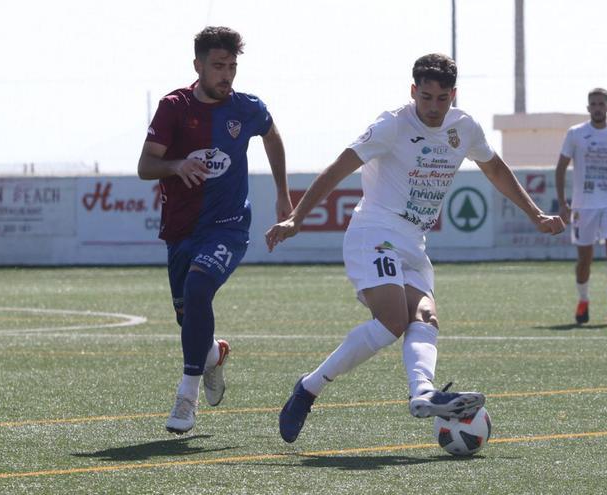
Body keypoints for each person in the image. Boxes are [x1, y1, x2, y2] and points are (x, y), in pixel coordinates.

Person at [265, 53, 564, 443]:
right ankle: (307, 389)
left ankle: (423, 391)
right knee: (392, 321)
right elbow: (340, 166)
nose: (434, 107)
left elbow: (494, 168)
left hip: (413, 240)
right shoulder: (392, 124)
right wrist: (297, 217)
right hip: (373, 230)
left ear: (453, 95)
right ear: (413, 92)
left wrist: (536, 214)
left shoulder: (465, 127)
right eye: (426, 97)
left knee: (425, 315)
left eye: (442, 99)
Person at [138, 26, 292, 434]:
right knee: (187, 317)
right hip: (180, 230)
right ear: (198, 66)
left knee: (199, 289)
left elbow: (273, 136)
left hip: (227, 227)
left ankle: (185, 399)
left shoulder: (246, 108)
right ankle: (211, 355)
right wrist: (176, 165)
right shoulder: (174, 106)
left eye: (232, 66)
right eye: (218, 66)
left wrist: (282, 194)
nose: (227, 75)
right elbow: (145, 167)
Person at [555, 88, 607, 326]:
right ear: (588, 108)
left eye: (602, 104)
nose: (598, 108)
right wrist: (563, 203)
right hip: (584, 204)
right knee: (584, 260)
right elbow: (560, 168)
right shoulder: (576, 134)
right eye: (594, 104)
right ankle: (583, 300)